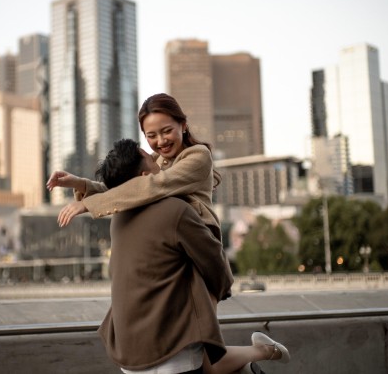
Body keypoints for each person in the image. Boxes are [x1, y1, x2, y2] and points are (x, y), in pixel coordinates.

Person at [96, 139, 290, 374]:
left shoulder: (118, 219)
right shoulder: (174, 210)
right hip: (173, 348)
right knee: (210, 363)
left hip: (129, 352)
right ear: (145, 176)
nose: (154, 156)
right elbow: (213, 260)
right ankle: (262, 354)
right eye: (148, 156)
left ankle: (259, 356)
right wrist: (219, 291)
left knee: (212, 365)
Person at [47, 93, 221, 241]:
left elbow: (154, 186)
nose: (161, 141)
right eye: (151, 135)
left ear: (183, 126)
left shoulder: (198, 156)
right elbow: (128, 190)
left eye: (167, 131)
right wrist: (81, 184)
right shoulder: (155, 160)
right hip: (170, 239)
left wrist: (88, 204)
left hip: (199, 240)